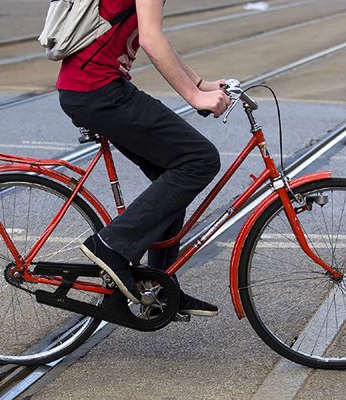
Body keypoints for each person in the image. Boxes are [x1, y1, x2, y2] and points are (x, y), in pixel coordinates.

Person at [58, 0, 230, 317]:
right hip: (99, 91)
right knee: (200, 159)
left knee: (174, 171)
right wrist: (195, 97)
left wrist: (200, 84)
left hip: (94, 89)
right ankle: (111, 246)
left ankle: (160, 288)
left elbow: (153, 35)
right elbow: (151, 39)